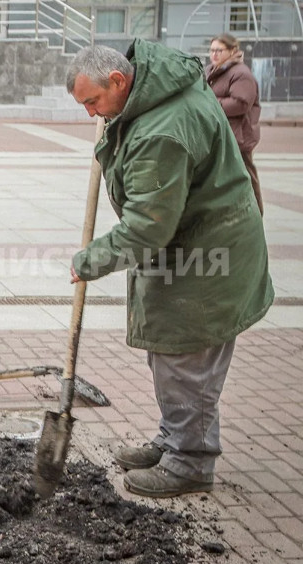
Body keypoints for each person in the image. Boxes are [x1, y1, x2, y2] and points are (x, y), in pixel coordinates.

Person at [66, 40, 273, 498]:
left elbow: (147, 229)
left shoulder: (162, 132)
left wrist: (90, 260)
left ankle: (190, 462)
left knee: (187, 361)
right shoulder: (154, 87)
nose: (91, 113)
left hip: (208, 260)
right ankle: (174, 439)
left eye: (92, 102)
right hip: (195, 244)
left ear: (118, 80)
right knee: (172, 358)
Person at [206, 33, 263, 215]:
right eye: (212, 50)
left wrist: (210, 102)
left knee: (245, 177)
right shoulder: (211, 71)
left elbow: (241, 103)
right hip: (220, 134)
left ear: (232, 51)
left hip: (238, 137)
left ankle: (255, 214)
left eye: (219, 50)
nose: (214, 54)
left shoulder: (241, 74)